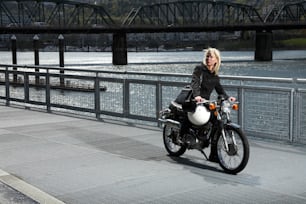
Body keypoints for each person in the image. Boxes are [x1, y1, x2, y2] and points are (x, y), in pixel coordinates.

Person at [180, 47, 236, 162]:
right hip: (195, 99)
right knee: (191, 118)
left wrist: (227, 97)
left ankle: (213, 154)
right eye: (207, 56)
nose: (209, 58)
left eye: (211, 57)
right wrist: (197, 96)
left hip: (206, 102)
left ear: (216, 60)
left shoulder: (214, 75)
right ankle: (183, 135)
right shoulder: (199, 69)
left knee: (217, 123)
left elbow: (219, 89)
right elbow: (194, 82)